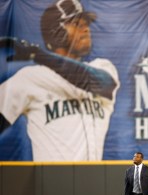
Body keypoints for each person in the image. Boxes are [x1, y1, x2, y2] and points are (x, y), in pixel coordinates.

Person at [0, 0, 119, 161]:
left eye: (86, 23)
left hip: (93, 182)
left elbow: (103, 84)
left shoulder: (102, 67)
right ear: (54, 32)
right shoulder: (30, 78)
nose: (85, 28)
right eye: (76, 23)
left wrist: (38, 55)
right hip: (50, 182)